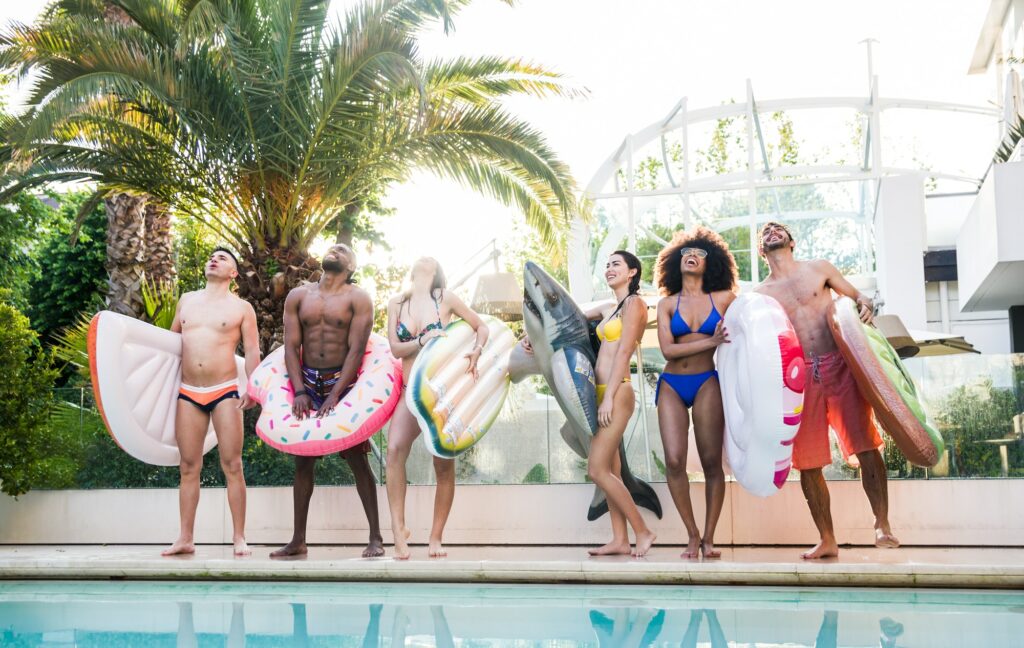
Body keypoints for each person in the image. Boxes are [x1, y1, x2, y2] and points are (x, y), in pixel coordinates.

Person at [755, 221, 899, 559]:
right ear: (761, 250)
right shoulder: (760, 295)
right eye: (765, 232)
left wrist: (865, 304)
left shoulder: (819, 268)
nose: (772, 231)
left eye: (779, 229)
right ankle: (827, 538)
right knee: (808, 463)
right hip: (798, 377)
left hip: (839, 364)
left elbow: (857, 297)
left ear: (792, 240)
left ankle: (882, 524)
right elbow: (750, 336)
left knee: (865, 446)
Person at [531, 251, 657, 557]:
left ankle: (643, 531)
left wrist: (609, 398)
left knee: (597, 470)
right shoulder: (608, 309)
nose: (609, 269)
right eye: (607, 265)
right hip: (599, 392)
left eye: (616, 264)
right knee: (611, 469)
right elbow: (567, 318)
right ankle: (620, 539)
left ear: (632, 272)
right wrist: (528, 336)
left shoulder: (635, 305)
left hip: (618, 392)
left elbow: (624, 353)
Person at [270, 243, 383, 559]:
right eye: (334, 248)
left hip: (341, 382)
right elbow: (291, 347)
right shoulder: (299, 296)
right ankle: (298, 540)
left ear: (351, 267)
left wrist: (335, 396)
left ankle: (375, 537)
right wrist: (300, 391)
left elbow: (357, 350)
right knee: (303, 460)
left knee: (358, 459)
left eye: (345, 251)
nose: (337, 250)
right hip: (307, 380)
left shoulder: (357, 298)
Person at [385, 257, 489, 559]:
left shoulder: (446, 298)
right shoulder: (396, 303)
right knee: (393, 451)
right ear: (413, 269)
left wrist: (476, 350)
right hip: (409, 391)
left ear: (437, 272)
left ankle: (435, 537)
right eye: (420, 258)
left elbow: (481, 327)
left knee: (443, 465)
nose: (425, 258)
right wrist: (421, 339)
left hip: (441, 394)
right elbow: (395, 348)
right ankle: (398, 531)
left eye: (432, 259)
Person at [163, 247, 260, 557]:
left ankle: (239, 537)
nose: (214, 259)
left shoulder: (242, 308)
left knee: (232, 464)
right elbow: (168, 345)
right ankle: (185, 538)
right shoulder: (186, 301)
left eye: (223, 258)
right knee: (189, 466)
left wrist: (254, 388)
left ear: (233, 273)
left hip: (225, 390)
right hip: (188, 392)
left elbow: (253, 351)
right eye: (212, 256)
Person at [654, 227, 737, 559]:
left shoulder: (725, 299)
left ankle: (709, 538)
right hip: (672, 384)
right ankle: (691, 534)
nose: (692, 255)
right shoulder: (665, 304)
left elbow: (754, 324)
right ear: (676, 261)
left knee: (710, 462)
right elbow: (667, 351)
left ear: (711, 261)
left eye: (700, 253)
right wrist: (712, 342)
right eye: (686, 251)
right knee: (674, 461)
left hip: (707, 381)